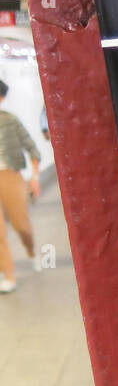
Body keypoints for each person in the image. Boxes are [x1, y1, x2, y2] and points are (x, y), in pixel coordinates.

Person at [0, 78, 41, 294]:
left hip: (10, 177)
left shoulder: (10, 121)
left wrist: (34, 178)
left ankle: (32, 251)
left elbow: (33, 149)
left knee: (22, 226)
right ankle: (8, 274)